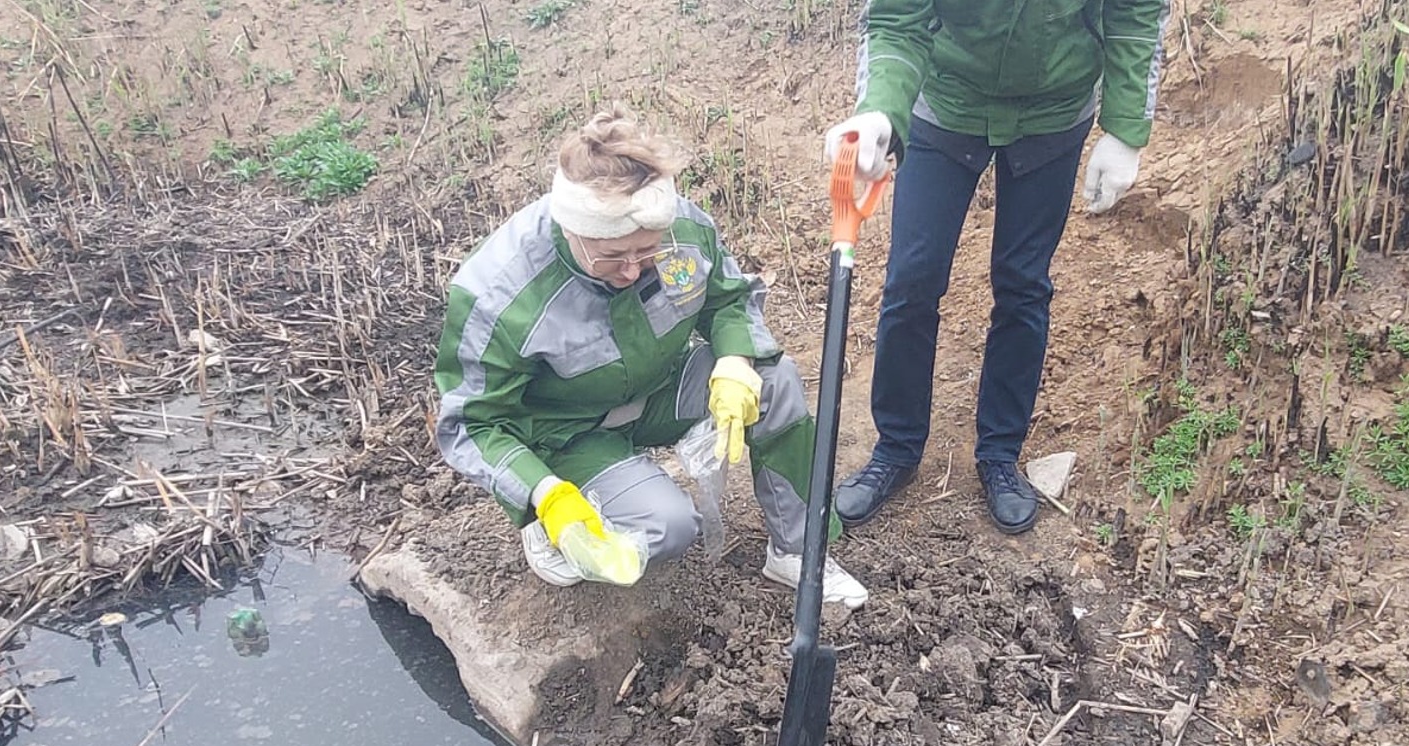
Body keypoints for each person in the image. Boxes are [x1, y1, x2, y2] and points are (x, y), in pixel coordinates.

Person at [434, 105, 869, 609]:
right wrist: (543, 494)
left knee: (774, 380)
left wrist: (733, 361)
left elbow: (729, 297)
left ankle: (797, 549)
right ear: (572, 229)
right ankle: (554, 529)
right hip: (566, 433)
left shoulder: (680, 227)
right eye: (613, 257)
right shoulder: (498, 295)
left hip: (659, 390)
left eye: (646, 253)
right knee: (669, 528)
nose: (631, 270)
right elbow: (472, 424)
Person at [823, 0, 1168, 534]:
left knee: (1023, 285)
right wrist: (880, 109)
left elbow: (1137, 10)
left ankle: (1000, 456)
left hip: (1056, 109)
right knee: (912, 280)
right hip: (946, 99)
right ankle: (896, 447)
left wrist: (1125, 128)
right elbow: (896, 17)